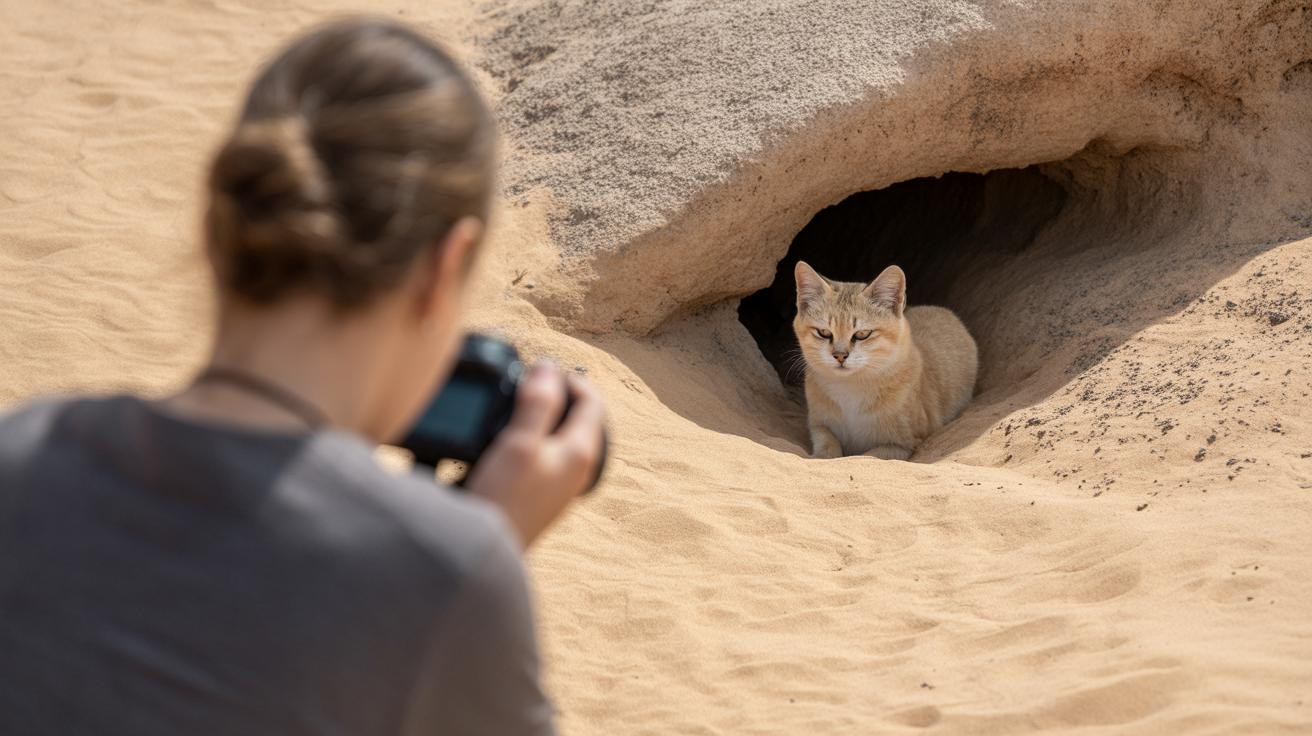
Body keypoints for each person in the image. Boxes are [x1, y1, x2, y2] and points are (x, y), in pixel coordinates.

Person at [0, 18, 604, 735]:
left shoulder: (26, 450)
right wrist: (473, 560)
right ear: (444, 269)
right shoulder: (443, 571)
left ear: (217, 229)